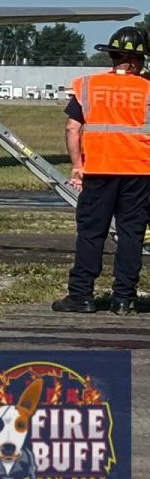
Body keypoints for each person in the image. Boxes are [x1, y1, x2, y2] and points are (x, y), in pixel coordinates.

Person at [52, 26, 150, 315]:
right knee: (131, 234)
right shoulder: (148, 89)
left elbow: (72, 127)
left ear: (113, 57)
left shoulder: (88, 86)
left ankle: (81, 295)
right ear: (137, 61)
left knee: (91, 233)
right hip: (139, 173)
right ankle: (124, 298)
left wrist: (77, 166)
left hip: (98, 170)